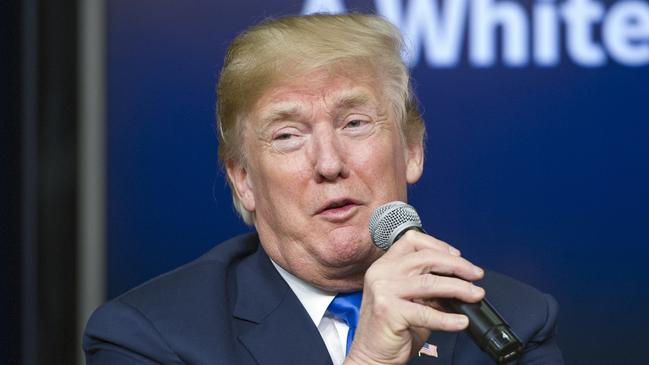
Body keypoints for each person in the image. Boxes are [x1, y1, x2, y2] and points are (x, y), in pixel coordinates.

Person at [84, 13, 563, 364]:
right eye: (288, 135)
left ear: (412, 150)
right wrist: (371, 359)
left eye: (354, 123)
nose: (329, 164)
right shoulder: (150, 337)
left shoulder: (512, 324)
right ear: (243, 179)